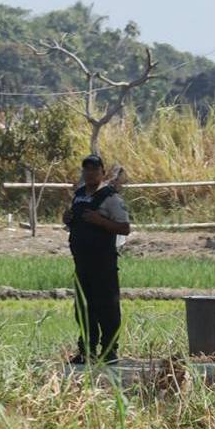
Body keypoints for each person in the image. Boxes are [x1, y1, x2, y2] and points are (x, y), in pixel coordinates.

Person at [62, 155, 131, 364]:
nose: (90, 173)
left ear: (103, 172)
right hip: (82, 263)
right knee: (83, 308)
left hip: (103, 263)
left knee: (107, 308)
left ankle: (109, 351)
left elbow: (124, 228)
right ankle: (87, 351)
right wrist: (68, 219)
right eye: (86, 169)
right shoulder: (79, 196)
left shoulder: (111, 198)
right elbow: (75, 224)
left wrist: (99, 221)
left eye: (94, 169)